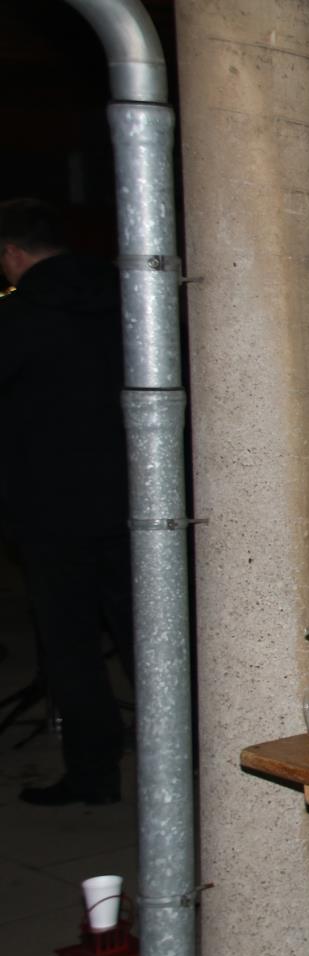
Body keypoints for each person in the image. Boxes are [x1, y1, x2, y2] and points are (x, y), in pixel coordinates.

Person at [0, 198, 134, 807]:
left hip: (51, 511)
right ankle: (189, 759)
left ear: (12, 254)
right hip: (133, 502)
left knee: (71, 649)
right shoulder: (129, 301)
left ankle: (94, 773)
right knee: (147, 640)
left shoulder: (18, 318)